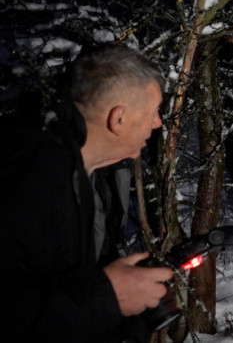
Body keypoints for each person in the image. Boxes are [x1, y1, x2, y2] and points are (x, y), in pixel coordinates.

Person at [0, 44, 175, 342]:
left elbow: (69, 284)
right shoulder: (28, 169)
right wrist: (108, 298)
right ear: (118, 119)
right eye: (154, 111)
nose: (158, 123)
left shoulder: (82, 172)